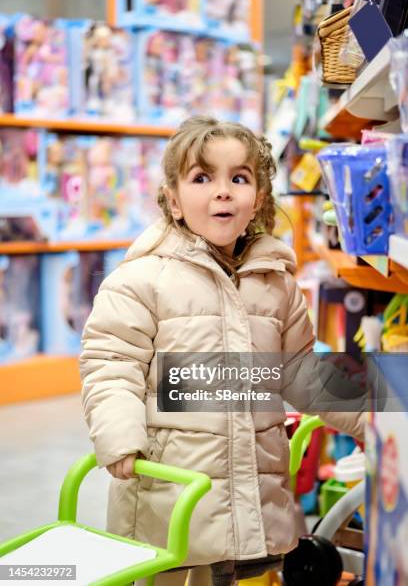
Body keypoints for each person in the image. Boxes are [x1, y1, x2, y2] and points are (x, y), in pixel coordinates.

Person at [80, 116, 365, 586]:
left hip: (252, 496)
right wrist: (118, 434)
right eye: (201, 177)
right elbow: (112, 364)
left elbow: (303, 376)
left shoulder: (277, 287)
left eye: (239, 178)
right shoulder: (140, 281)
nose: (223, 191)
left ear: (257, 200)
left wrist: (377, 420)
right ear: (173, 200)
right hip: (169, 495)